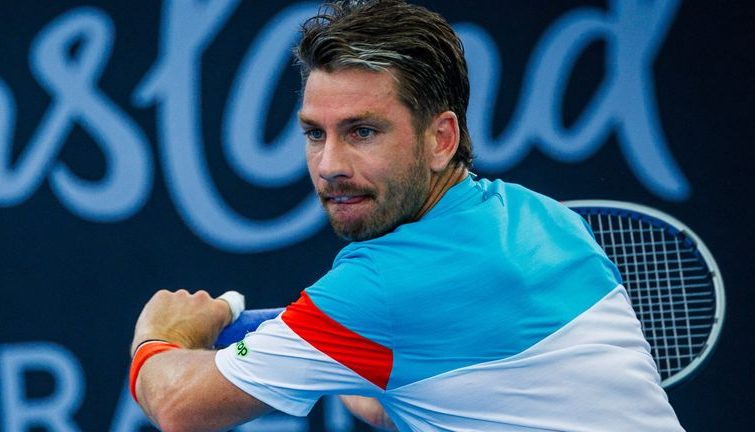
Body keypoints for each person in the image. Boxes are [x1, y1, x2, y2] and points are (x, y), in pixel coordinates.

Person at [129, 1, 684, 431]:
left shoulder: (381, 288)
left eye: (362, 131)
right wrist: (344, 356)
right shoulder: (544, 218)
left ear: (441, 138)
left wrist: (159, 336)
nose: (329, 165)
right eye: (315, 134)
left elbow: (178, 406)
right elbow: (443, 396)